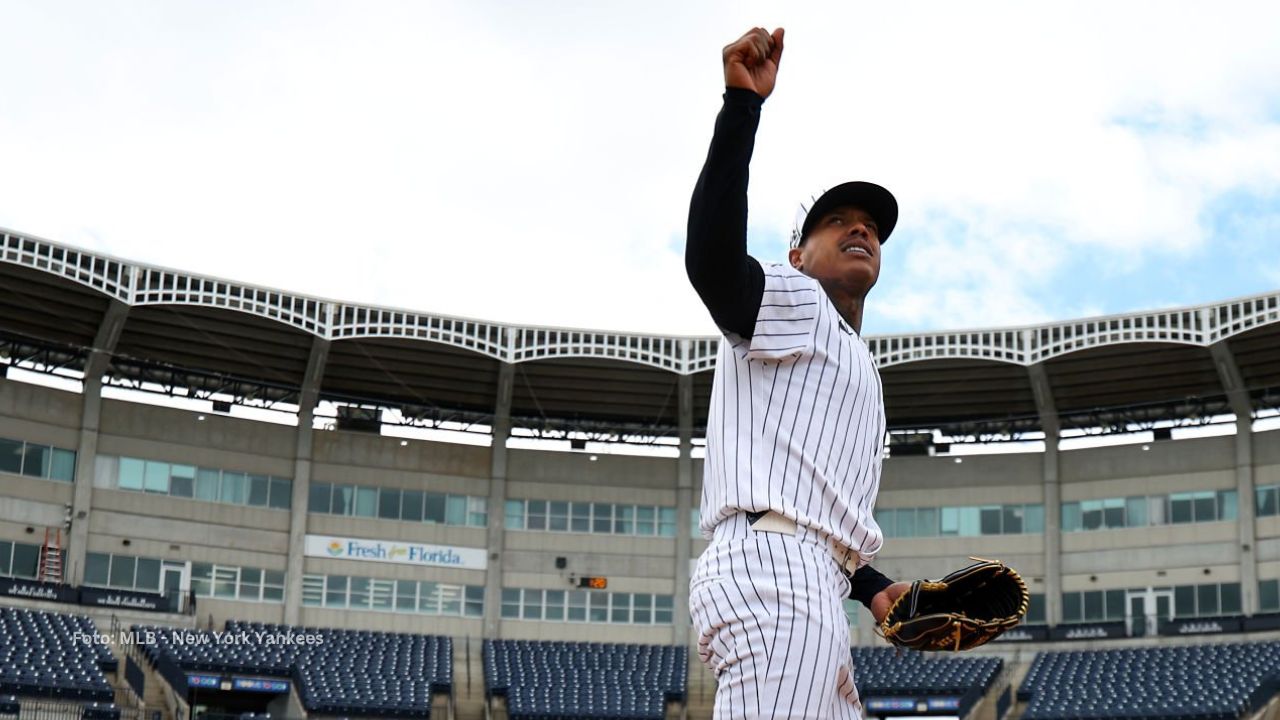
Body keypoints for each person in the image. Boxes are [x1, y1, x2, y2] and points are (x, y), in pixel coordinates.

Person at [686, 26, 911, 719]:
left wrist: (873, 585)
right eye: (836, 220)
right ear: (798, 251)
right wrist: (741, 107)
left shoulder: (858, 366)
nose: (860, 229)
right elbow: (713, 266)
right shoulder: (796, 296)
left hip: (812, 576)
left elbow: (816, 506)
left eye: (871, 226)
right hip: (770, 569)